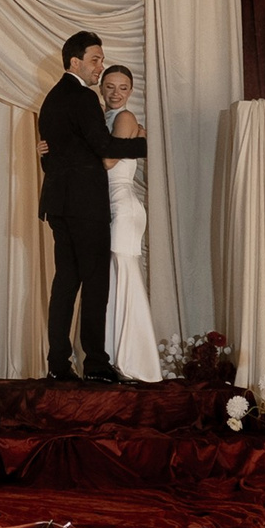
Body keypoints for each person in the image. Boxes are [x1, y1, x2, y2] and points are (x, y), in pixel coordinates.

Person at [36, 30, 148, 382]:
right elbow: (104, 148)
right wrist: (146, 144)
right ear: (76, 62)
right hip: (86, 206)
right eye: (95, 59)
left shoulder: (50, 100)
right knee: (96, 284)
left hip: (58, 205)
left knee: (65, 284)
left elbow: (53, 158)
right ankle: (96, 364)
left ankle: (58, 364)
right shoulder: (83, 97)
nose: (100, 66)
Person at [96, 65, 161, 382]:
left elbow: (108, 161)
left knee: (124, 278)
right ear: (101, 88)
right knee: (112, 280)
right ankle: (116, 358)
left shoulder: (124, 118)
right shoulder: (104, 119)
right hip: (110, 206)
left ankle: (135, 362)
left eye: (123, 87)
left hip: (123, 206)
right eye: (110, 86)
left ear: (131, 91)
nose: (116, 93)